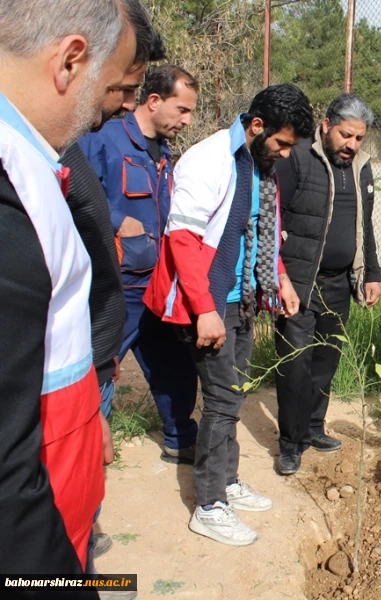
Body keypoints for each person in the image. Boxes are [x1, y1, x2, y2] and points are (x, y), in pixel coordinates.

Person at [0, 0, 140, 575]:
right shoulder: (11, 192)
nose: (111, 110)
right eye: (112, 87)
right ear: (71, 61)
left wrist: (89, 413)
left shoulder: (36, 160)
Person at [144, 84, 313, 546]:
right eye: (280, 143)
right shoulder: (210, 159)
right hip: (212, 300)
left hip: (242, 298)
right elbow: (183, 238)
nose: (282, 153)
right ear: (257, 126)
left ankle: (228, 480)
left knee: (234, 393)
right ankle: (209, 503)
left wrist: (280, 278)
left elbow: (262, 230)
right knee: (221, 400)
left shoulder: (260, 166)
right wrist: (205, 311)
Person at [64, 27, 164, 576]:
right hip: (111, 295)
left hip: (136, 291)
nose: (123, 102)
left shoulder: (153, 150)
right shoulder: (90, 142)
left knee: (168, 372)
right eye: (123, 87)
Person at [79, 63, 200, 465]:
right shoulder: (104, 140)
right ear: (153, 101)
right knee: (99, 374)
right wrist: (118, 222)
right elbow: (72, 195)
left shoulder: (163, 154)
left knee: (176, 369)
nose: (187, 120)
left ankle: (180, 440)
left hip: (159, 287)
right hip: (117, 289)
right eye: (181, 110)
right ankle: (88, 461)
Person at [273, 93, 381, 474]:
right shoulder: (298, 158)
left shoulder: (361, 169)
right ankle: (290, 443)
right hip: (299, 284)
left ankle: (313, 429)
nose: (352, 145)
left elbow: (364, 225)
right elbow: (272, 218)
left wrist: (372, 273)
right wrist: (279, 276)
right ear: (326, 126)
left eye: (359, 139)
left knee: (325, 362)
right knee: (295, 364)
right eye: (345, 135)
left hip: (339, 284)